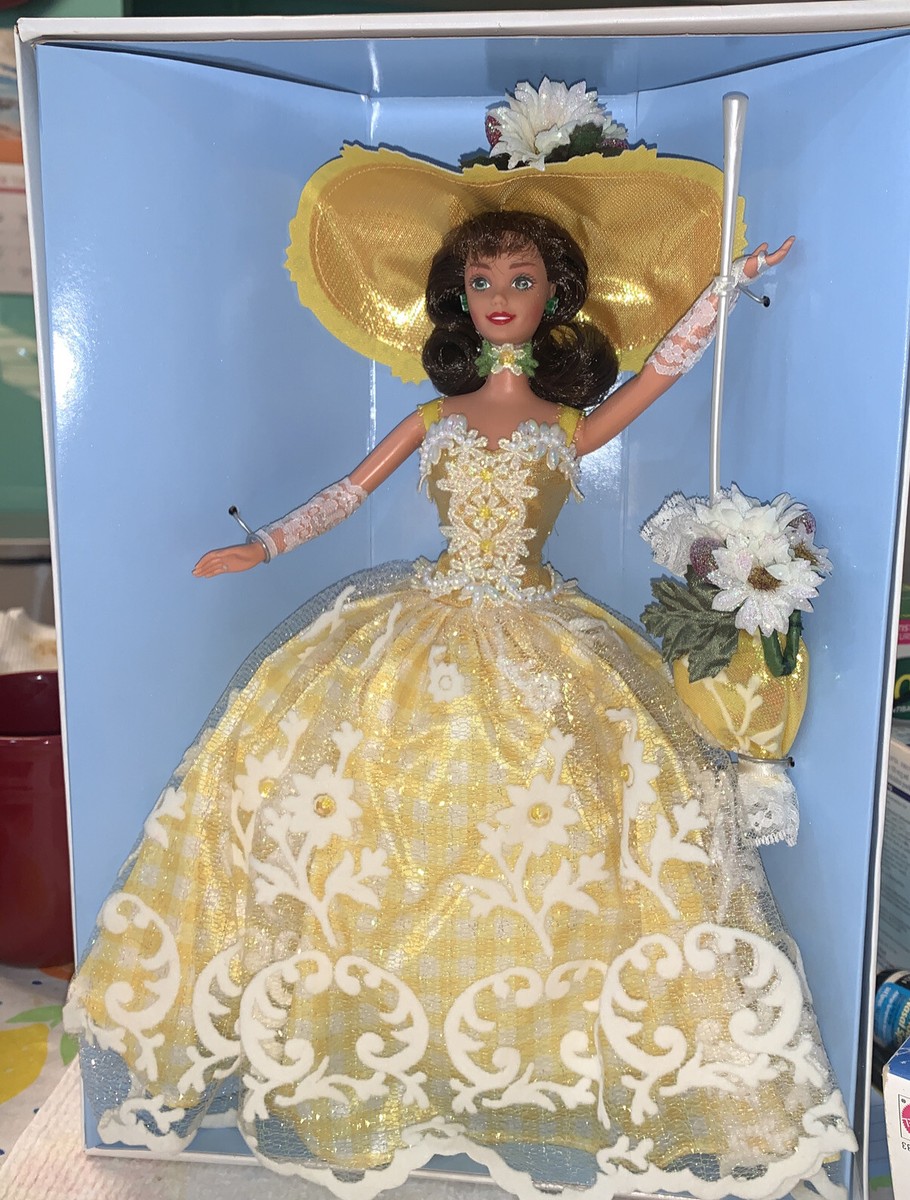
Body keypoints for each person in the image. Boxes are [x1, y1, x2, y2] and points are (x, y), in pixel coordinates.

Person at [65, 197, 854, 1200]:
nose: (500, 298)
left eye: (520, 281)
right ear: (459, 298)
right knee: (364, 819)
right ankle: (370, 1046)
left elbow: (661, 371)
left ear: (553, 297)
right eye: (483, 282)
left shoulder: (565, 424)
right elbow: (348, 492)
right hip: (421, 629)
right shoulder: (435, 418)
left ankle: (537, 1058)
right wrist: (262, 545)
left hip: (540, 638)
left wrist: (726, 289)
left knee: (560, 832)